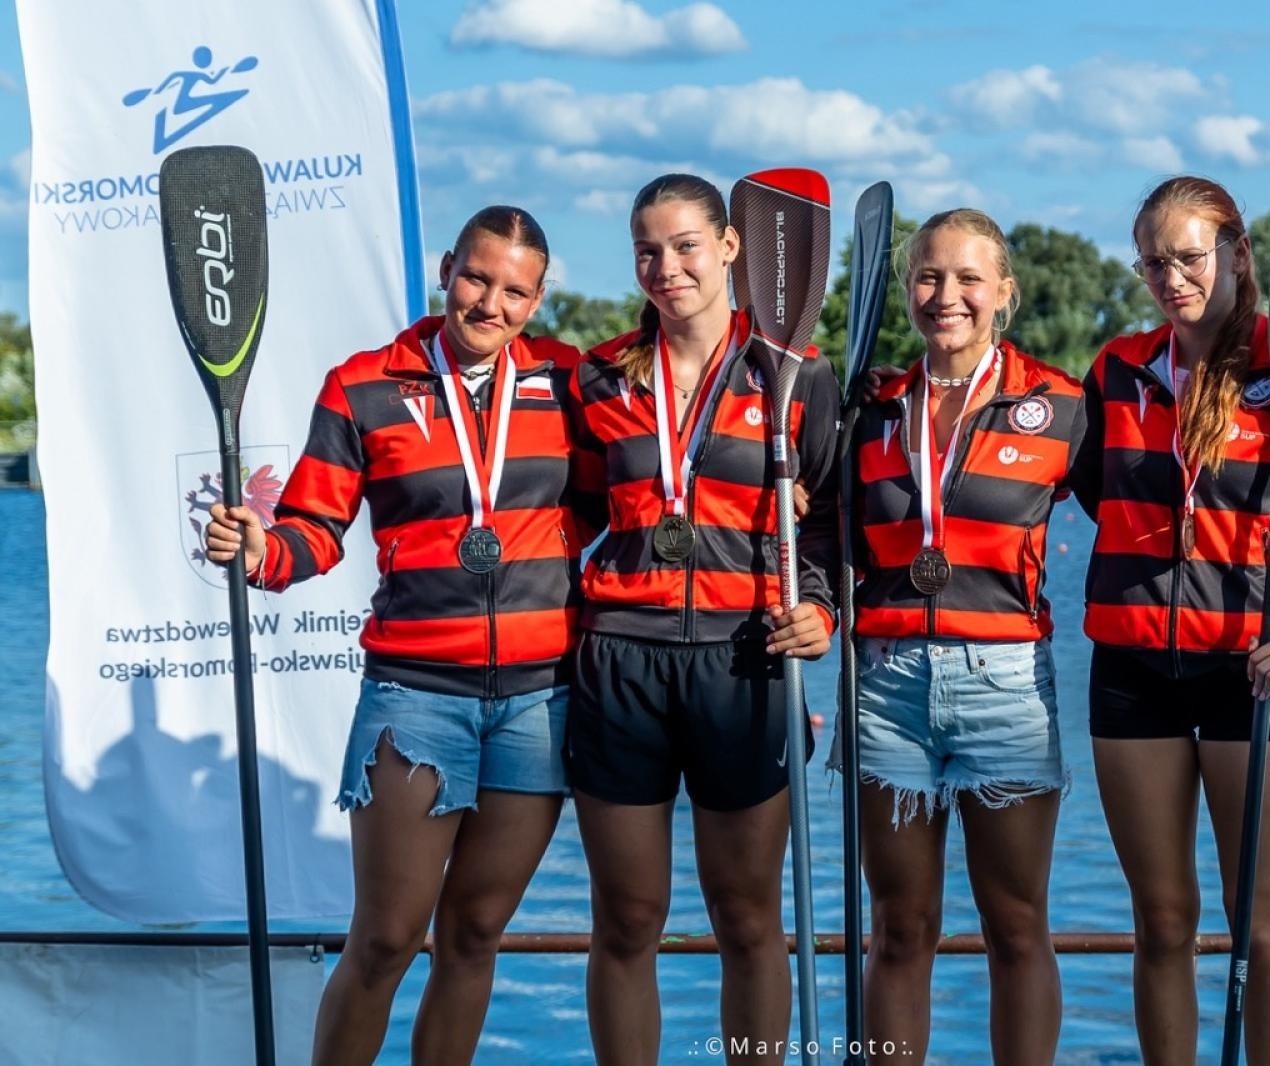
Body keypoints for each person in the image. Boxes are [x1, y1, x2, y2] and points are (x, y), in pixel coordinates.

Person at [204, 206, 591, 1066]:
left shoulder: (569, 381)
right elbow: (312, 526)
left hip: (541, 701)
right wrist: (264, 548)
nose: (490, 302)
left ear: (537, 299)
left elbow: (630, 495)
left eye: (515, 291)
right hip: (416, 695)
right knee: (384, 938)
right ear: (448, 265)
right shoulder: (365, 384)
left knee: (477, 932)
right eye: (476, 278)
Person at [1071, 175, 1270, 1064]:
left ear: (1239, 255)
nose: (1172, 277)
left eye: (1190, 256)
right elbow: (1091, 491)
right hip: (1130, 679)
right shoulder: (1116, 371)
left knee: (1262, 923)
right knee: (1162, 920)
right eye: (1153, 262)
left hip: (1252, 677)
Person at [562, 173, 841, 1065]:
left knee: (748, 915)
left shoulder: (798, 373)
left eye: (685, 246)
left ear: (730, 248)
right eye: (648, 249)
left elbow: (835, 523)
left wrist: (824, 609)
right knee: (629, 916)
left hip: (747, 661)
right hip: (621, 665)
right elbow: (568, 511)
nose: (666, 266)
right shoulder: (599, 375)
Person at [839, 208, 1087, 1065]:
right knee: (900, 927)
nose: (947, 296)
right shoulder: (868, 408)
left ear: (1004, 294)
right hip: (886, 687)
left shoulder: (1058, 406)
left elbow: (1145, 517)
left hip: (1007, 686)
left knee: (1015, 924)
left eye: (969, 278)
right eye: (930, 276)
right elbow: (823, 547)